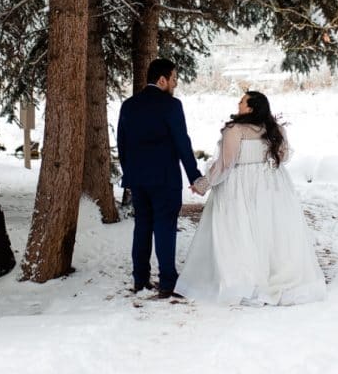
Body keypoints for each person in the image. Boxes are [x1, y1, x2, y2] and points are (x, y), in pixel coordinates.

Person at [176, 91, 326, 305]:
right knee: (270, 230)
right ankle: (268, 275)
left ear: (252, 107)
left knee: (239, 230)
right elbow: (282, 157)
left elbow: (226, 165)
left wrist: (203, 184)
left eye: (242, 101)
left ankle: (243, 279)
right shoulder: (275, 129)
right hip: (272, 185)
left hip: (239, 186)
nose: (238, 103)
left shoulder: (234, 130)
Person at [117, 58, 209, 298]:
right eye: (174, 79)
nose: (175, 84)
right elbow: (182, 144)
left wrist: (131, 174)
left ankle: (140, 279)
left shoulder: (128, 105)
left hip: (138, 180)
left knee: (142, 227)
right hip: (165, 179)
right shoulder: (171, 106)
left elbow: (122, 145)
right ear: (162, 80)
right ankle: (167, 281)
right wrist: (195, 177)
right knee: (165, 227)